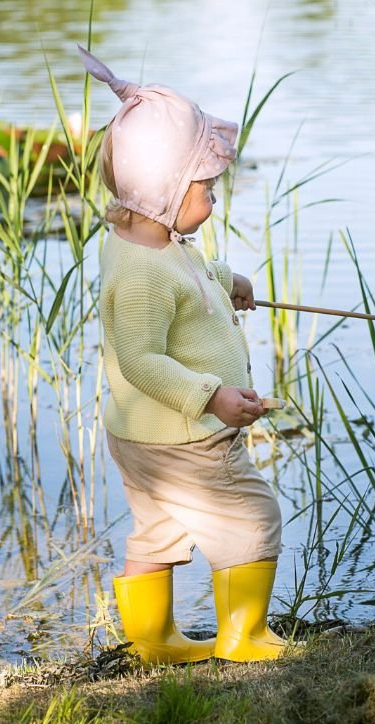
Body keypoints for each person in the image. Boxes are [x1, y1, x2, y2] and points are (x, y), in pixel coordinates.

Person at [78, 45, 287, 664]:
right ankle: (243, 637)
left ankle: (153, 641)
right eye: (206, 188)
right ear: (165, 189)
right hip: (184, 437)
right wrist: (212, 396)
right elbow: (141, 359)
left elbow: (184, 277)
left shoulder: (148, 238)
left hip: (142, 439)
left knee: (159, 530)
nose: (215, 200)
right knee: (252, 516)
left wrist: (225, 279)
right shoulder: (144, 268)